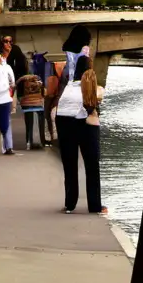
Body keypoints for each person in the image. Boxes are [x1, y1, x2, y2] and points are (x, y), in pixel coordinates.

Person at [55, 55, 106, 214]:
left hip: (63, 121)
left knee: (69, 165)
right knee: (92, 165)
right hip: (83, 124)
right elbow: (92, 106)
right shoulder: (90, 84)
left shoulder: (69, 85)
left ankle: (70, 204)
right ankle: (95, 206)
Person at [16, 66, 46, 149]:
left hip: (27, 106)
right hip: (39, 105)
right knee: (41, 123)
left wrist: (22, 102)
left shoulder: (21, 81)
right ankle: (42, 141)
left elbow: (19, 95)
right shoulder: (40, 82)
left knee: (28, 124)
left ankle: (29, 141)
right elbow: (44, 94)